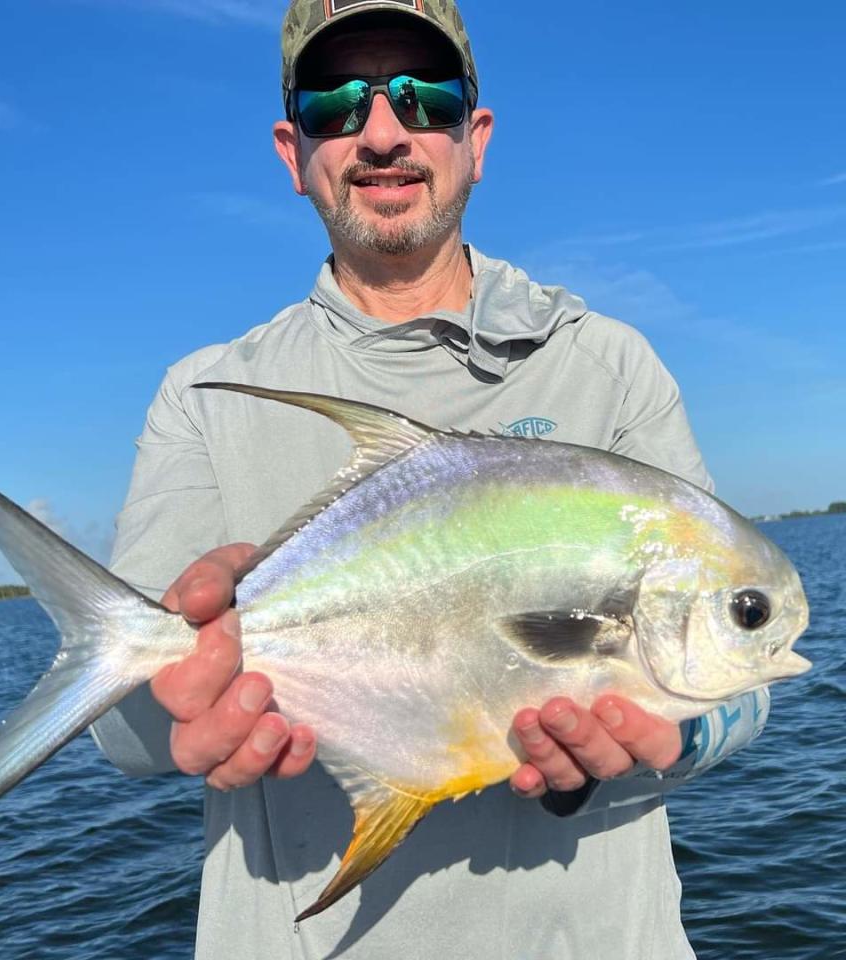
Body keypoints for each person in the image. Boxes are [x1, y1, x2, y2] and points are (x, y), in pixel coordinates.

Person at [91, 2, 768, 956]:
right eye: (335, 104)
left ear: (474, 137)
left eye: (424, 95)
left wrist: (679, 737)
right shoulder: (204, 396)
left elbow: (742, 694)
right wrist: (181, 717)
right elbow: (121, 736)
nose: (381, 132)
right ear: (293, 152)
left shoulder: (609, 367)